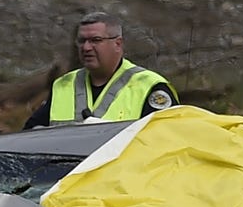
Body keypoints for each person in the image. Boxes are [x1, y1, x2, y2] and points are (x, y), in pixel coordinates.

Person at [22, 12, 175, 127]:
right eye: (82, 41)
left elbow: (166, 141)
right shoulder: (63, 85)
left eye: (96, 40)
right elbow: (31, 135)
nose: (86, 48)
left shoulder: (149, 86)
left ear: (118, 44)